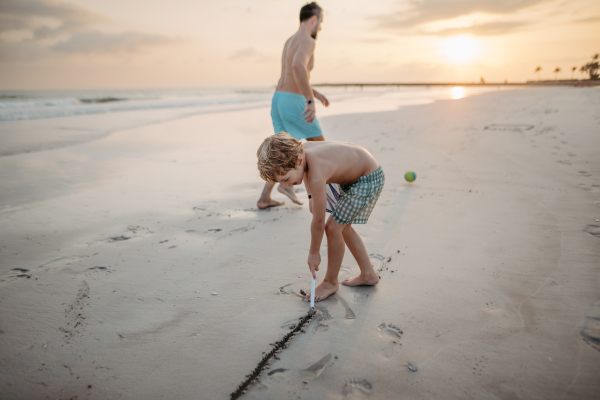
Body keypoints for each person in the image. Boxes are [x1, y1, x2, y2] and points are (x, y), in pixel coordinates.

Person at [257, 133, 385, 302]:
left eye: (286, 179)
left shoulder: (317, 172)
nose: (285, 185)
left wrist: (314, 253)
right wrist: (310, 196)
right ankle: (368, 274)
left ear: (298, 161)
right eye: (281, 182)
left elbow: (318, 222)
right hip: (356, 173)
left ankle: (330, 282)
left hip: (366, 179)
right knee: (342, 226)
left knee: (333, 228)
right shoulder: (302, 151)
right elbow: (307, 173)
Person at [257, 2, 330, 209]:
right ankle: (332, 197)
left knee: (282, 152)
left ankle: (265, 197)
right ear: (314, 20)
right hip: (294, 102)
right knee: (323, 148)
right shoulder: (307, 40)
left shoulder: (290, 40)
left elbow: (293, 75)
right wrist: (309, 100)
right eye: (321, 22)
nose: (321, 28)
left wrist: (314, 92)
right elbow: (298, 66)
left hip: (279, 99)